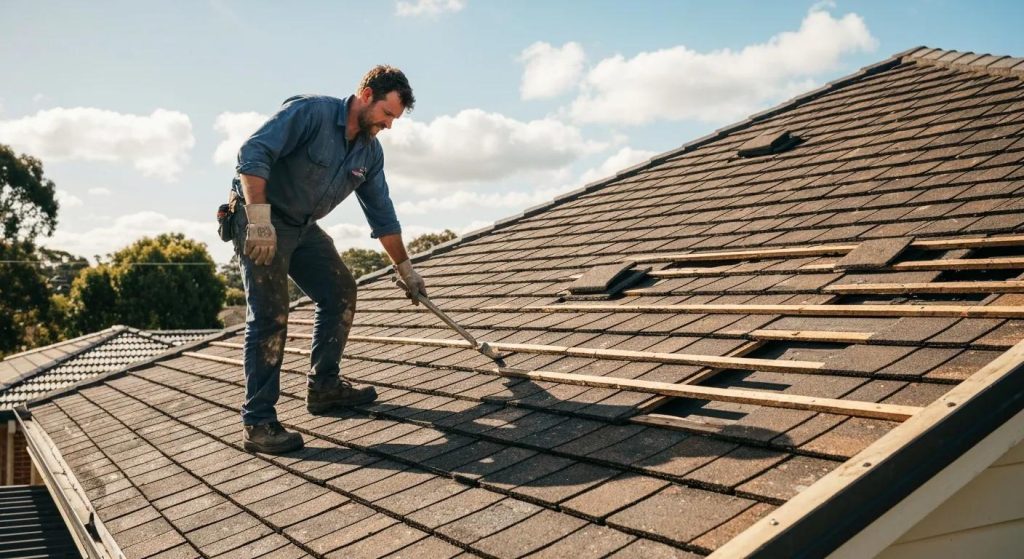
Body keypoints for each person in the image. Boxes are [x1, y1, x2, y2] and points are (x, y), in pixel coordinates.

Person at [231, 65, 426, 454]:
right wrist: (258, 220)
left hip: (303, 227)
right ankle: (258, 424)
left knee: (340, 291)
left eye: (395, 119)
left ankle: (325, 387)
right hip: (261, 218)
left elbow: (381, 213)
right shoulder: (311, 113)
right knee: (271, 315)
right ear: (367, 95)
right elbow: (253, 152)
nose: (389, 125)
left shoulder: (369, 152)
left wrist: (405, 267)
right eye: (387, 114)